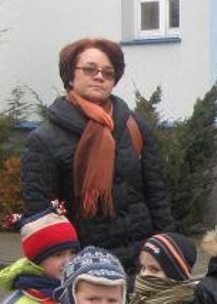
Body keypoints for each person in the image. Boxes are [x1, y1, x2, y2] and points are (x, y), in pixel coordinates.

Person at [22, 38, 174, 268]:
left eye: (108, 72)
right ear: (70, 76)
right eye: (90, 69)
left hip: (142, 260)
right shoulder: (44, 140)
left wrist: (169, 248)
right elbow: (41, 215)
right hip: (85, 266)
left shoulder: (134, 126)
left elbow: (157, 194)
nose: (99, 76)